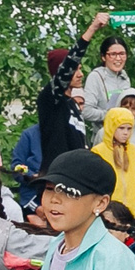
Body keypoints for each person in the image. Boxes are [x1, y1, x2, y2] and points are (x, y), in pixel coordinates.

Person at [39, 10, 113, 163]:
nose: (80, 74)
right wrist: (92, 28)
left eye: (80, 69)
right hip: (56, 175)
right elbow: (69, 63)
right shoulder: (50, 99)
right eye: (75, 70)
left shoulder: (73, 104)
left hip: (74, 176)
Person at [92, 103, 135, 217]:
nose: (126, 132)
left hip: (130, 211)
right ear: (111, 127)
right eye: (121, 128)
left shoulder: (131, 149)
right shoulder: (99, 151)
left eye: (129, 128)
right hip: (107, 210)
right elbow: (95, 182)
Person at [83, 36, 135, 128]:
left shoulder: (125, 77)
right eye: (113, 54)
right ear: (103, 57)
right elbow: (86, 111)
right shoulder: (95, 77)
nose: (118, 58)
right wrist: (110, 115)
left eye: (122, 54)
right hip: (103, 136)